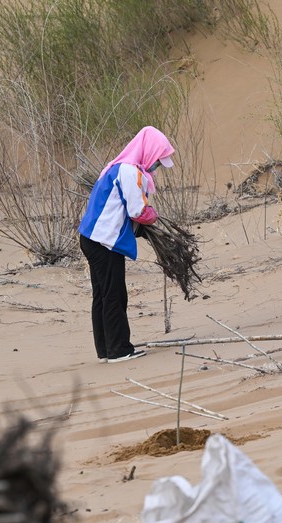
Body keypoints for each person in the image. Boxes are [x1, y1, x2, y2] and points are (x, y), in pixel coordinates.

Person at [78, 126, 174, 363]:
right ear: (149, 152)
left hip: (91, 239)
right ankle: (119, 350)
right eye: (158, 162)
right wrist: (153, 216)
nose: (157, 167)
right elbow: (137, 210)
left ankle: (105, 350)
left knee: (102, 295)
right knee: (114, 295)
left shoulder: (117, 167)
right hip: (104, 242)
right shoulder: (131, 172)